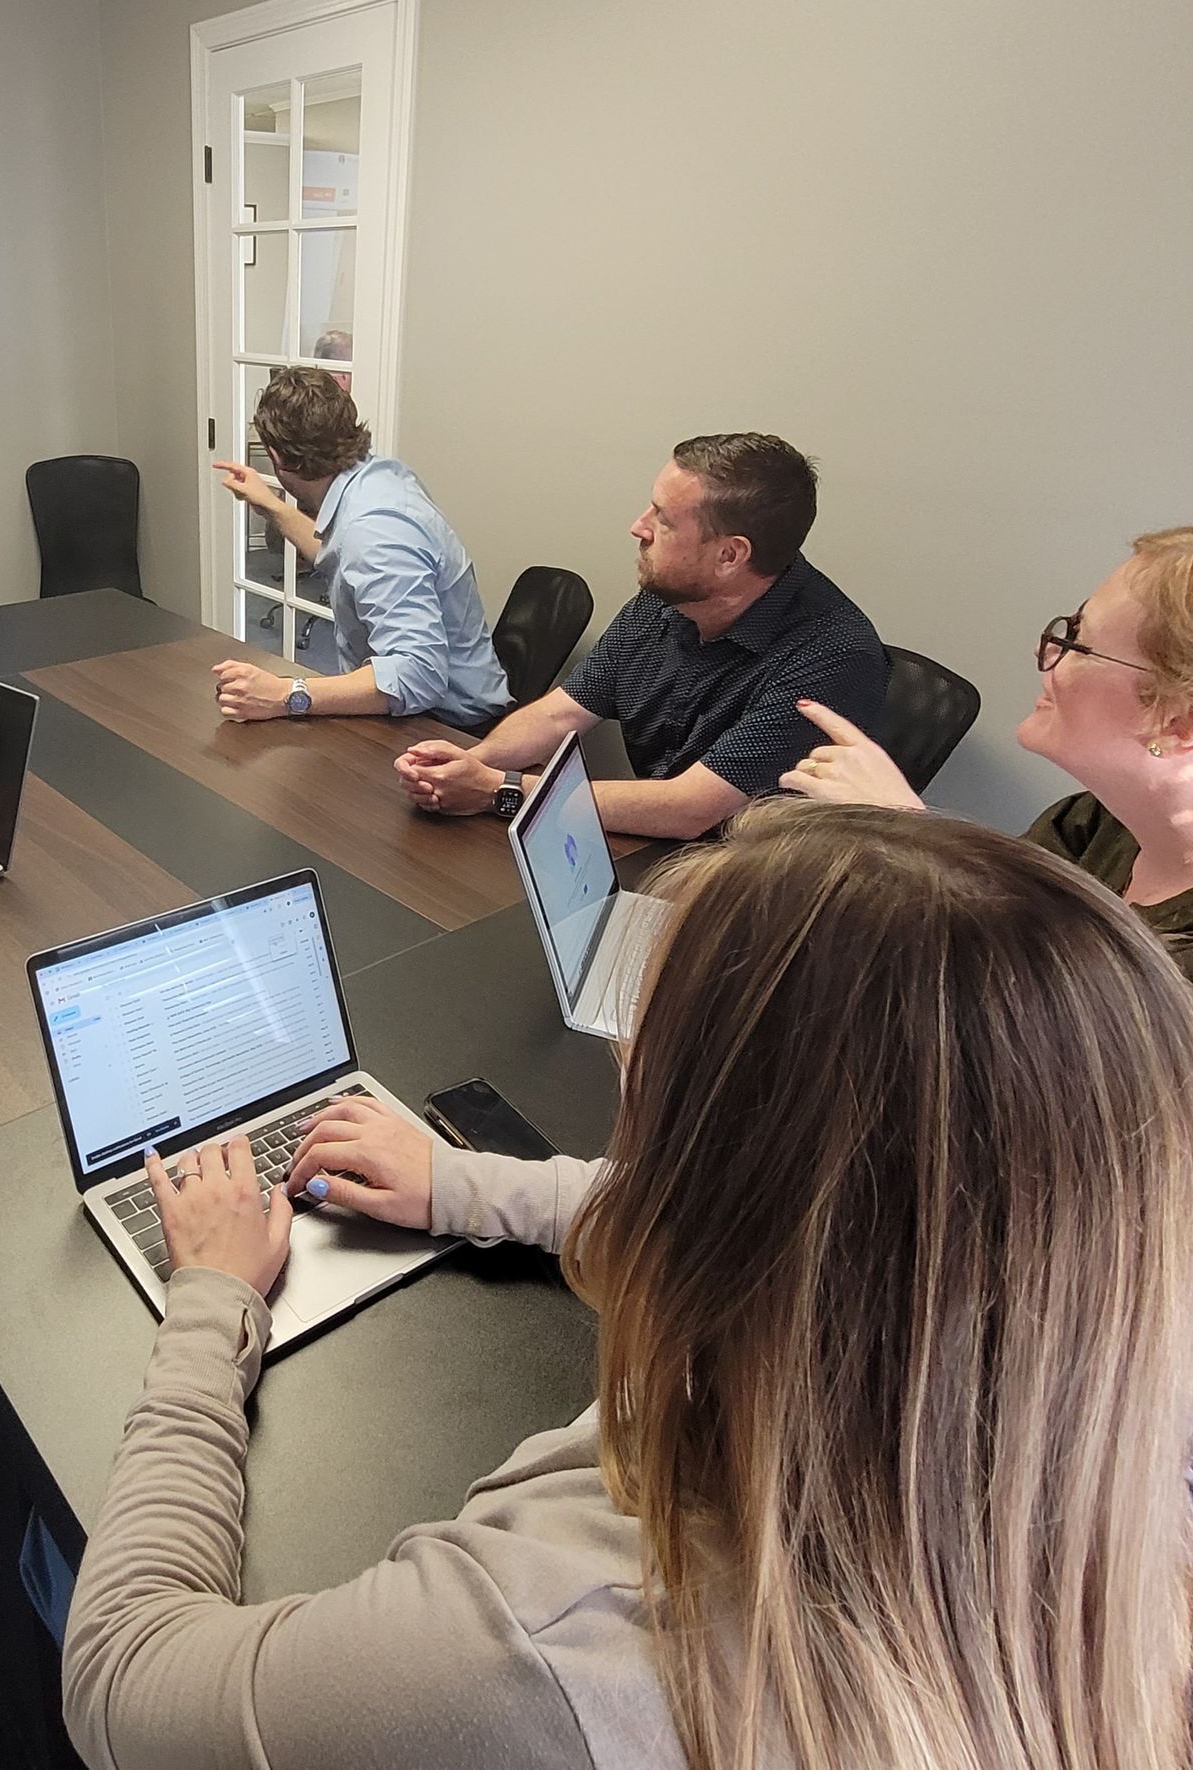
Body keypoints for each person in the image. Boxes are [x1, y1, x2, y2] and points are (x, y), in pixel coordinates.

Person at [63, 800, 1193, 1769]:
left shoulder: (542, 1646)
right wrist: (466, 1184)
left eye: (643, 1075)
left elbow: (123, 1679)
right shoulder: (1108, 1436)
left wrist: (213, 1299)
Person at [396, 434, 888, 838]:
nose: (639, 527)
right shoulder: (668, 599)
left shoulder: (833, 655)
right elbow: (564, 709)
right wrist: (462, 765)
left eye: (663, 520)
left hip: (748, 881)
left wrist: (496, 789)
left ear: (730, 556)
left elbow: (692, 808)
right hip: (650, 846)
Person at [783, 526, 1193, 981]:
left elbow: (1036, 1016)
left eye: (1078, 642)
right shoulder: (1092, 824)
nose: (1044, 649)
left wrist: (910, 834)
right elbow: (991, 932)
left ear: (1180, 723)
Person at [209, 367, 511, 730]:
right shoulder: (376, 478)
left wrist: (286, 693)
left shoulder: (375, 530)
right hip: (425, 709)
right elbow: (343, 554)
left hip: (447, 728)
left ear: (277, 455)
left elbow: (418, 676)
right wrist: (272, 507)